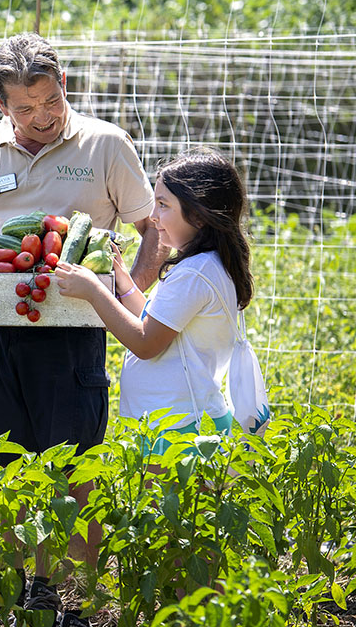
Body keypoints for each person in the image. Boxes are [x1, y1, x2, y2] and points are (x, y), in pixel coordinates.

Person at [0, 32, 162, 627]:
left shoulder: (106, 144)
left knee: (75, 470)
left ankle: (76, 603)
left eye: (50, 101)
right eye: (24, 108)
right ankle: (27, 592)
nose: (40, 117)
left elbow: (152, 232)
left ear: (65, 88)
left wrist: (124, 299)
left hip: (73, 336)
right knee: (2, 465)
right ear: (0, 104)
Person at [55, 149, 257, 449]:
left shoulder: (194, 273)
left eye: (163, 205)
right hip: (183, 420)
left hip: (180, 431)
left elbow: (146, 343)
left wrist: (94, 291)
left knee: (167, 498)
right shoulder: (204, 264)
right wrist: (123, 281)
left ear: (199, 216)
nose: (152, 216)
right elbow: (156, 321)